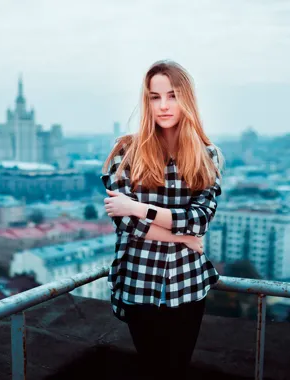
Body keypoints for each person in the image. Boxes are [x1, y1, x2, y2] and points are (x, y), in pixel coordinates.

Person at [101, 60, 223, 380]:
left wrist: (140, 208)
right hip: (139, 283)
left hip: (188, 284)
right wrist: (182, 237)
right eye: (155, 97)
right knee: (153, 370)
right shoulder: (125, 153)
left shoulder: (206, 155)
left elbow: (199, 220)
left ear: (187, 99)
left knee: (177, 370)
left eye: (172, 95)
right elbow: (125, 223)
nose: (164, 105)